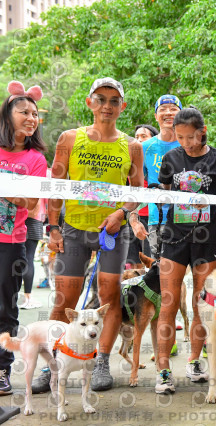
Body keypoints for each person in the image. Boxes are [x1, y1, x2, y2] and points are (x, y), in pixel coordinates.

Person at [34, 77, 144, 393]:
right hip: (73, 230)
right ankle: (51, 365)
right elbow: (55, 186)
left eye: (113, 101)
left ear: (121, 107)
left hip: (113, 232)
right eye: (101, 99)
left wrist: (121, 213)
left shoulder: (132, 146)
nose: (107, 106)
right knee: (64, 299)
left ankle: (101, 364)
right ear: (89, 103)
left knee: (108, 299)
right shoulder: (70, 139)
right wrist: (53, 228)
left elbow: (137, 191)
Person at [154, 107, 216, 394]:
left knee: (201, 305)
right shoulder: (171, 157)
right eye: (180, 137)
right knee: (168, 303)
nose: (185, 143)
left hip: (207, 241)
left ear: (202, 131)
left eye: (190, 137)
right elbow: (161, 192)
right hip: (174, 239)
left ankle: (194, 361)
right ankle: (163, 371)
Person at [0, 81, 48, 394]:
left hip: (11, 242)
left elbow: (31, 205)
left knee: (5, 308)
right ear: (7, 115)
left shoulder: (36, 160)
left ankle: (2, 370)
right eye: (24, 112)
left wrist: (13, 193)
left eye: (35, 113)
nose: (31, 118)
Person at [130, 95, 183, 260]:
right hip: (157, 220)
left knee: (188, 274)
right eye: (163, 109)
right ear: (155, 116)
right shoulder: (144, 147)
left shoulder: (189, 144)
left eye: (173, 109)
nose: (168, 112)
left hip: (187, 219)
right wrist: (133, 219)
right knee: (159, 272)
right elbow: (135, 186)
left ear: (181, 114)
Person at [124, 124, 158, 269]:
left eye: (144, 136)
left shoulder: (157, 162)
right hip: (131, 219)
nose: (139, 140)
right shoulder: (128, 163)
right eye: (136, 137)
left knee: (151, 264)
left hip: (152, 220)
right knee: (133, 267)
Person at [19, 200, 45, 309]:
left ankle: (22, 296)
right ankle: (28, 297)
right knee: (28, 258)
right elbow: (35, 209)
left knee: (19, 258)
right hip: (32, 221)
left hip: (19, 220)